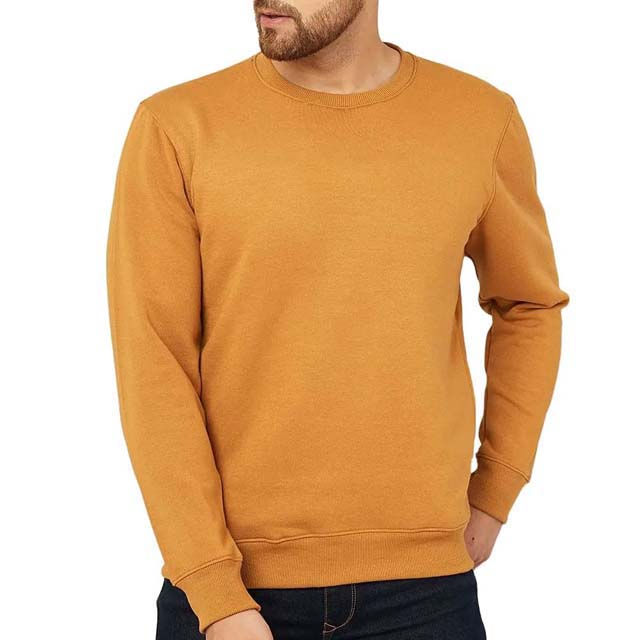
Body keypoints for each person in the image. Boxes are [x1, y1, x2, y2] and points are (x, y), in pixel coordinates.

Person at [106, 1, 569, 638]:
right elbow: (154, 361)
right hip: (231, 591)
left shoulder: (480, 119)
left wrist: (496, 490)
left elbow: (529, 305)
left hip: (427, 594)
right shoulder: (176, 126)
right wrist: (213, 588)